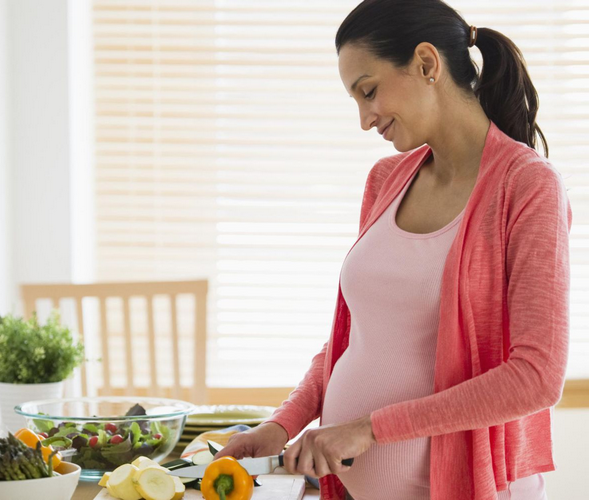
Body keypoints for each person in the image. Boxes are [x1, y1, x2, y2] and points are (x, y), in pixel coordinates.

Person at [213, 1, 572, 499]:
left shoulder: (528, 186)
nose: (364, 119)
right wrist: (283, 423)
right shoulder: (386, 180)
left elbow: (535, 378)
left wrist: (368, 429)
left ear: (427, 64)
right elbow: (354, 340)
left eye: (369, 91)